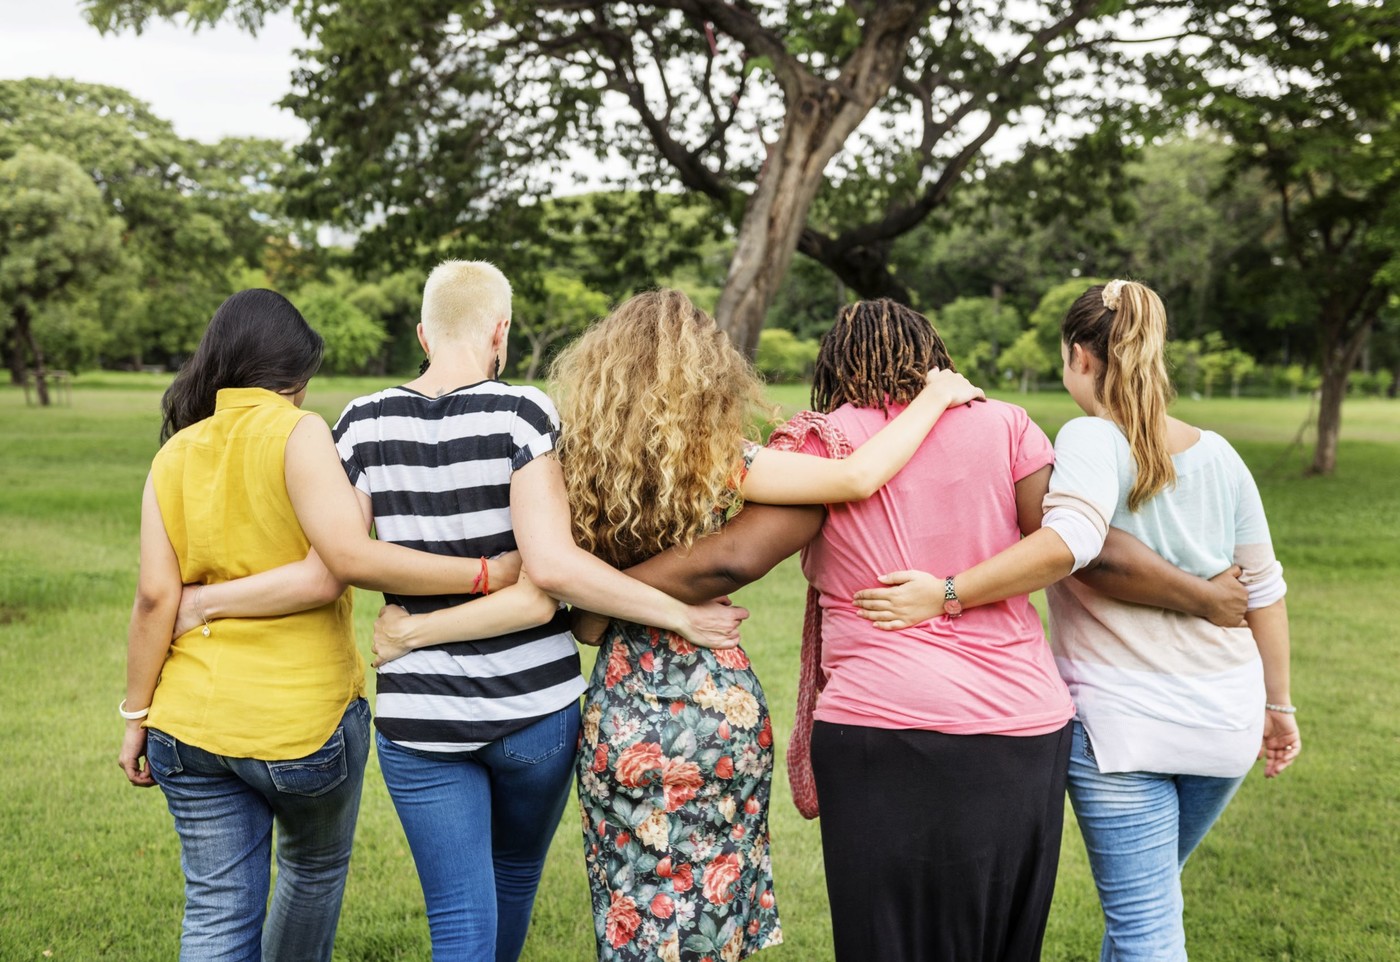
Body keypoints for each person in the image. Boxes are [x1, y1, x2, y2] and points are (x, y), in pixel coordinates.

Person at [572, 297, 1249, 962]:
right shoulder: (1008, 426)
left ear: (836, 364)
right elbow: (1080, 542)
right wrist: (1201, 597)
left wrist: (600, 594)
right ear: (934, 358)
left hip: (883, 727)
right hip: (1023, 726)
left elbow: (731, 558)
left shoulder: (824, 440)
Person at [381, 288, 988, 961]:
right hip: (716, 707)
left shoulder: (574, 465)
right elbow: (853, 477)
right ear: (709, 370)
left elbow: (583, 626)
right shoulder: (715, 458)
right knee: (712, 923)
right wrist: (933, 397)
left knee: (638, 918)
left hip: (623, 715)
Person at [177, 265, 751, 962]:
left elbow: (346, 558)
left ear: (423, 333)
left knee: (457, 914)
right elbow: (554, 569)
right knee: (513, 879)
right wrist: (681, 617)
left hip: (420, 716)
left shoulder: (359, 422)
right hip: (535, 710)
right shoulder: (523, 414)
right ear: (499, 332)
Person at [854, 280, 1299, 961]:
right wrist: (1279, 706)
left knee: (1146, 931)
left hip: (1122, 732)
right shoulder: (1220, 456)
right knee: (1149, 911)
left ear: (1077, 357)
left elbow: (1073, 543)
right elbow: (1264, 591)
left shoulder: (1090, 435)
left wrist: (947, 591)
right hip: (1225, 724)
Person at [118, 289, 524, 962]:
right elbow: (332, 568)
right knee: (311, 871)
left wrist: (137, 713)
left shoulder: (174, 454)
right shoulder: (299, 432)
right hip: (300, 726)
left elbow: (156, 599)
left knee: (216, 913)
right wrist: (485, 574)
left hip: (185, 723)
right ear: (295, 375)